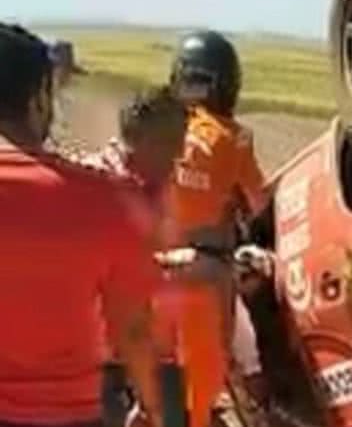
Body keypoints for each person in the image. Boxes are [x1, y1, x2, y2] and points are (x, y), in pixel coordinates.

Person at [0, 23, 163, 427]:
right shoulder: (108, 201)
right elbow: (135, 331)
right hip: (68, 416)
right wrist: (151, 406)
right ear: (39, 99)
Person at [165, 29, 271, 426]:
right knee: (240, 360)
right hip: (206, 273)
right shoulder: (235, 139)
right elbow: (260, 204)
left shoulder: (152, 129)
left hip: (145, 268)